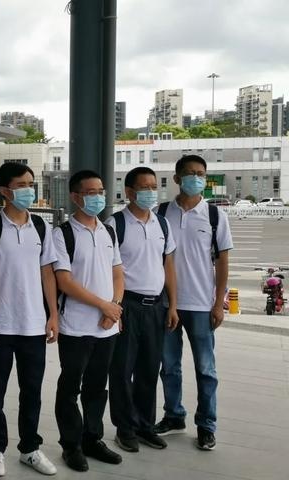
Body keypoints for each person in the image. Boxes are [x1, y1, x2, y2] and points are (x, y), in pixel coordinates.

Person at [0, 162, 59, 477]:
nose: (28, 189)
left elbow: (48, 273)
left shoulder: (41, 226)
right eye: (21, 184)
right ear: (4, 191)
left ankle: (30, 448)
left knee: (32, 391)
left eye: (31, 183)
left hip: (33, 325)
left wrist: (53, 314)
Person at [154, 155, 232, 451]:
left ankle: (206, 424)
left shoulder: (214, 216)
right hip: (167, 304)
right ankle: (174, 416)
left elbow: (223, 261)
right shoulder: (161, 213)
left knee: (206, 369)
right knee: (169, 366)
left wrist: (218, 302)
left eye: (200, 173)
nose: (195, 178)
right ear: (176, 178)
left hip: (201, 304)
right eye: (189, 173)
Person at [52, 170, 124, 472]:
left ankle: (92, 438)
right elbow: (65, 282)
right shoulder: (63, 234)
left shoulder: (108, 231)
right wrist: (103, 306)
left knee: (97, 386)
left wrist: (115, 307)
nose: (98, 197)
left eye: (101, 191)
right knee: (71, 387)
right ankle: (71, 445)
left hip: (107, 328)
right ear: (76, 196)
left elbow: (118, 272)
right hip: (75, 326)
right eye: (91, 192)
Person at [105, 166, 178, 453]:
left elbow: (168, 265)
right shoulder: (115, 224)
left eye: (153, 186)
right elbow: (109, 270)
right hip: (128, 306)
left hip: (156, 306)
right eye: (144, 187)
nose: (150, 192)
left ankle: (145, 425)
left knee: (150, 369)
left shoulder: (162, 224)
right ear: (130, 192)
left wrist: (172, 305)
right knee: (122, 370)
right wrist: (115, 308)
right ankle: (125, 429)